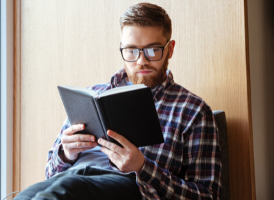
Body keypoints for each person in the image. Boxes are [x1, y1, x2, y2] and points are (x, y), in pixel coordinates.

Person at [14, 3, 222, 200]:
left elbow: (207, 195)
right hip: (70, 177)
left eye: (152, 50)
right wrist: (66, 154)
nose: (141, 61)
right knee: (26, 195)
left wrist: (142, 167)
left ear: (170, 48)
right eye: (131, 50)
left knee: (63, 191)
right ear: (122, 49)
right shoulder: (92, 95)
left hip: (126, 185)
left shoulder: (193, 110)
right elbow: (50, 172)